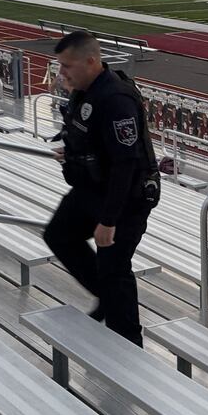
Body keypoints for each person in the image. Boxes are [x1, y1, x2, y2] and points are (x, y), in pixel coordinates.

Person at [43, 31, 160, 347]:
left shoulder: (115, 99)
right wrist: (75, 153)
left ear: (91, 61)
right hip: (93, 187)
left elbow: (126, 165)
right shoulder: (84, 90)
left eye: (67, 66)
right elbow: (90, 136)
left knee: (114, 267)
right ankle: (107, 298)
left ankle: (128, 343)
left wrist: (108, 221)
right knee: (58, 234)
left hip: (126, 197)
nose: (61, 72)